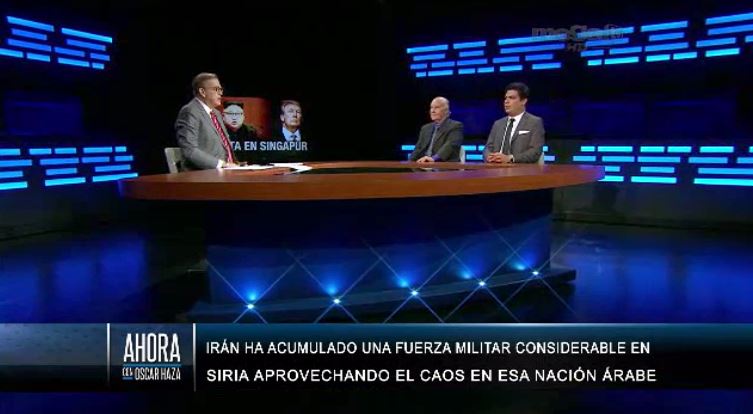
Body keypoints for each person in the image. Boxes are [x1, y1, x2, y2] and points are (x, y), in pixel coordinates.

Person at [175, 72, 239, 170]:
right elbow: (189, 150)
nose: (221, 93)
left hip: (227, 171)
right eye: (216, 89)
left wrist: (235, 164)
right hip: (203, 174)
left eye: (221, 89)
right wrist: (221, 164)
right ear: (202, 92)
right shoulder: (190, 111)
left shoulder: (216, 113)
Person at [484, 82, 545, 164]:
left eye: (511, 98)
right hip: (495, 167)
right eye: (505, 98)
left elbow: (535, 151)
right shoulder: (498, 124)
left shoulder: (534, 122)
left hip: (521, 169)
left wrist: (510, 158)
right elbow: (488, 148)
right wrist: (489, 156)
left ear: (523, 101)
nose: (506, 101)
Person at [409, 97, 464, 162]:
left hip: (444, 165)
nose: (432, 111)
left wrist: (433, 158)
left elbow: (450, 145)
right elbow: (418, 148)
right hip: (424, 164)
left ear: (446, 111)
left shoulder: (455, 126)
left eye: (437, 107)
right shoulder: (425, 128)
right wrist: (409, 162)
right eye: (431, 107)